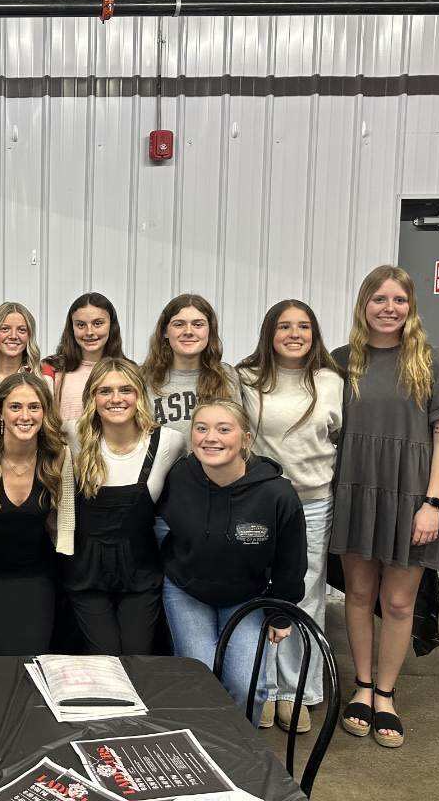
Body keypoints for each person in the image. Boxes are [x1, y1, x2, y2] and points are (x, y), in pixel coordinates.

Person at [332, 266, 439, 748]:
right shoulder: (339, 362)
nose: (388, 308)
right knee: (357, 595)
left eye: (398, 299)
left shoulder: (434, 364)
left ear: (411, 306)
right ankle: (363, 687)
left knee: (398, 602)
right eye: (379, 298)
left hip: (412, 499)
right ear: (363, 304)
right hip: (355, 492)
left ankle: (387, 695)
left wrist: (432, 503)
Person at [158, 399, 306, 725]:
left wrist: (281, 614)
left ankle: (241, 752)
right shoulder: (179, 476)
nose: (211, 437)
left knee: (246, 685)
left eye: (224, 429)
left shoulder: (277, 495)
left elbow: (291, 562)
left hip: (247, 597)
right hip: (187, 591)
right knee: (203, 676)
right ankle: (205, 750)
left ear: (245, 438)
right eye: (202, 428)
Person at [237, 300, 344, 733]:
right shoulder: (247, 379)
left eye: (303, 326)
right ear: (270, 332)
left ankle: (296, 692)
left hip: (314, 501)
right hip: (261, 500)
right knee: (259, 590)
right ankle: (263, 689)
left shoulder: (331, 379)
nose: (294, 334)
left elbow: (338, 436)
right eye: (284, 326)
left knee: (304, 594)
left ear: (314, 333)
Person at [63, 358, 186, 656]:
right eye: (105, 391)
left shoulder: (169, 442)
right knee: (104, 657)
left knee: (136, 656)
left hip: (141, 572)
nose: (116, 399)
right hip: (86, 573)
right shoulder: (73, 435)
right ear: (92, 397)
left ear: (139, 396)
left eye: (125, 390)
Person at [0, 373, 75, 655]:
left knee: (34, 656)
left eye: (34, 407)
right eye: (15, 407)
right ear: (1, 412)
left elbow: (65, 521)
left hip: (37, 578)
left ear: (45, 412)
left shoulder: (58, 455)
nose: (25, 415)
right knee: (1, 659)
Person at [141, 293, 236, 435]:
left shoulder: (228, 375)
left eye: (198, 324)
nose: (188, 332)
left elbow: (237, 432)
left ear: (210, 331)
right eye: (179, 324)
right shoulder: (143, 377)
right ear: (165, 332)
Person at [43, 293, 123, 422]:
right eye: (81, 325)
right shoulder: (52, 368)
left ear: (111, 325)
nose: (89, 332)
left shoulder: (128, 370)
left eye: (98, 323)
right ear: (71, 328)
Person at [0, 301, 52, 422]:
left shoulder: (43, 376)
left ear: (29, 336)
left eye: (21, 330)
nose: (13, 336)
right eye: (5, 329)